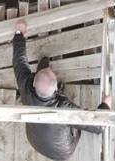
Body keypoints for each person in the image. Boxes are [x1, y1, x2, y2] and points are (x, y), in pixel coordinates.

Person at [12, 20, 109, 160]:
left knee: (40, 77)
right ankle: (46, 76)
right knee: (75, 124)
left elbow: (18, 60)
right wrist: (106, 103)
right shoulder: (63, 108)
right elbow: (98, 127)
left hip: (35, 141)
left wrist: (19, 33)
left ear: (33, 83)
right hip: (63, 151)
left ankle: (43, 74)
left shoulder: (25, 85)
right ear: (56, 90)